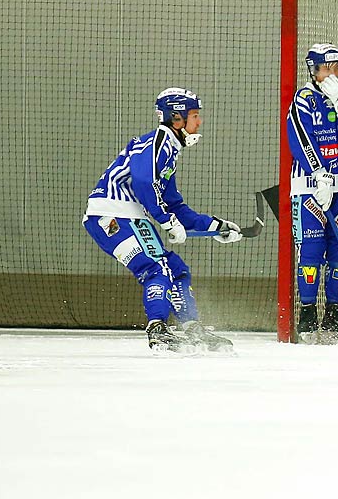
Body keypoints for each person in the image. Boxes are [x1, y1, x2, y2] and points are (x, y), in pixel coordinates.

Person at [84, 87, 243, 353]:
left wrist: (215, 226)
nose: (199, 121)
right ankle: (158, 330)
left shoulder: (169, 149)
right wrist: (166, 221)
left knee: (175, 267)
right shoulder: (158, 142)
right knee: (156, 269)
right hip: (114, 215)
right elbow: (145, 182)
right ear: (176, 118)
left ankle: (191, 328)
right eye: (194, 115)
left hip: (125, 216)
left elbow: (173, 204)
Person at [286, 43, 338, 342]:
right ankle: (307, 310)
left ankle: (334, 310)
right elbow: (299, 139)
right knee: (310, 251)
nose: (332, 74)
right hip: (311, 187)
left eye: (337, 68)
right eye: (326, 68)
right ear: (313, 70)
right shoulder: (304, 99)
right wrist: (318, 173)